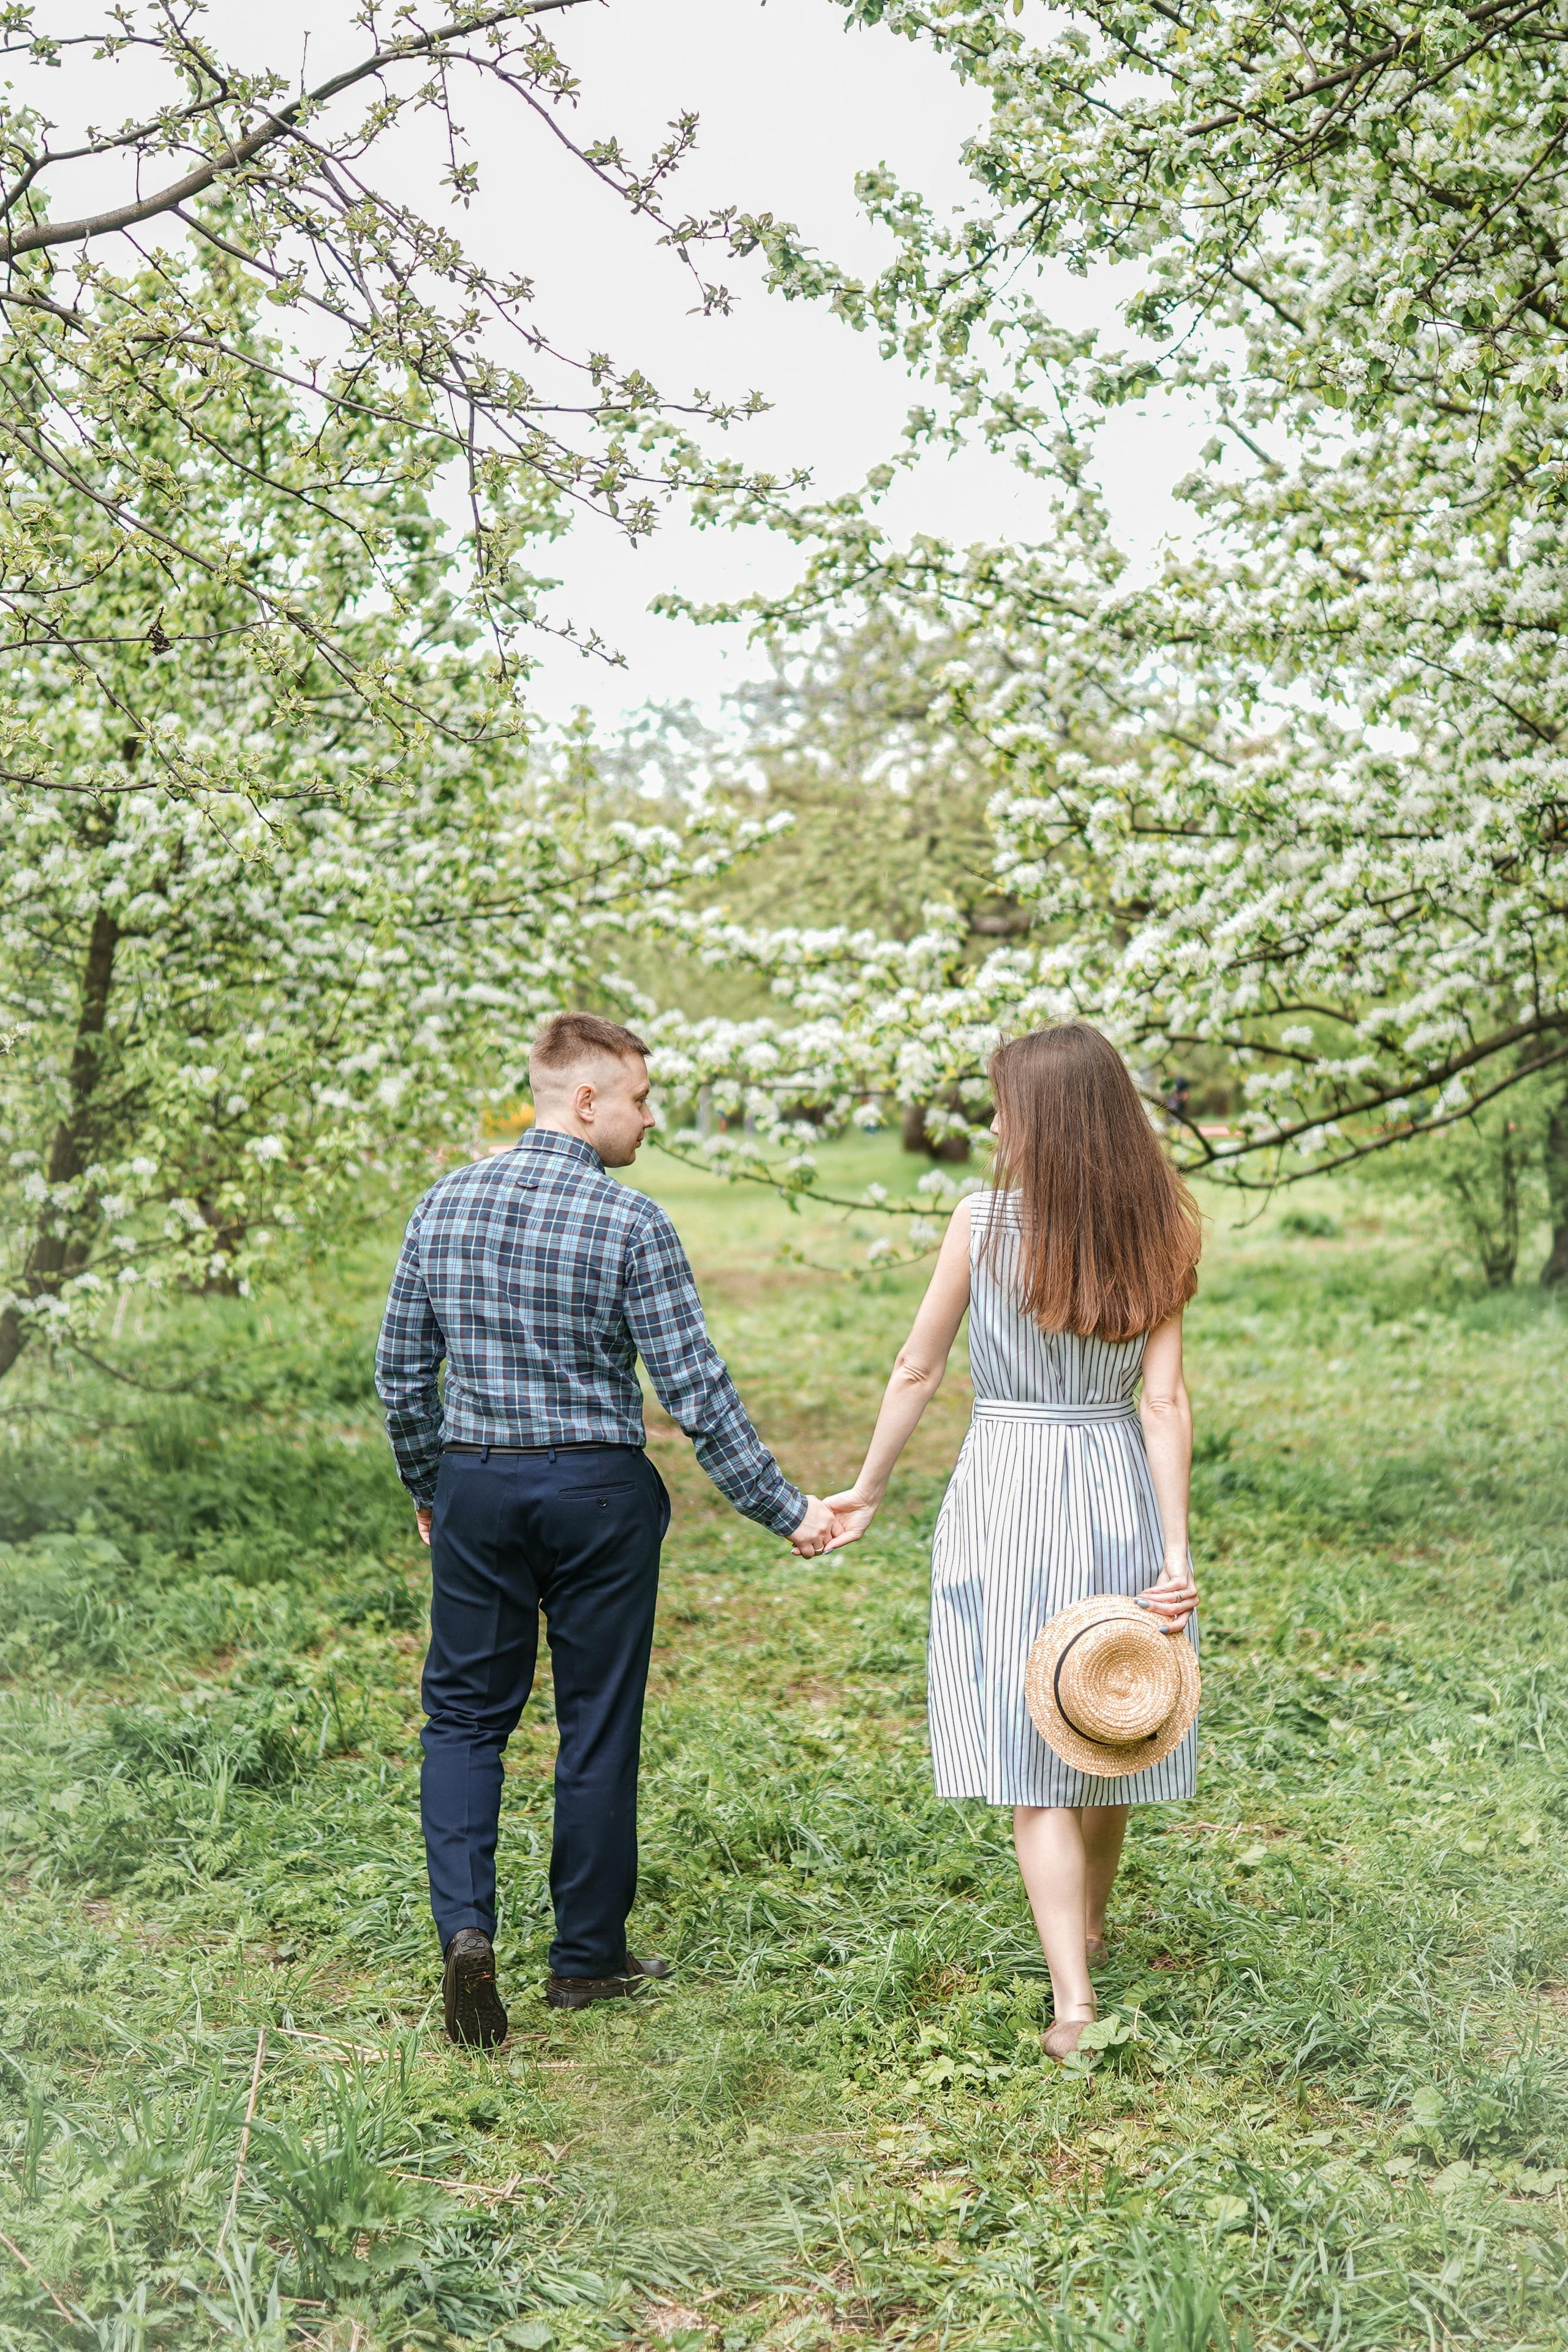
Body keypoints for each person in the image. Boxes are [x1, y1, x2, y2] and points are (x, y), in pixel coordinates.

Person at [375, 1011, 839, 2049]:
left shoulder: (442, 1204)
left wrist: (429, 1486)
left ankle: (466, 1930)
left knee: (462, 1720)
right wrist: (787, 1510)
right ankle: (585, 1961)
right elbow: (696, 1393)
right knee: (595, 1725)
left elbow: (403, 1372)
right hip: (596, 1496)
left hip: (478, 1488)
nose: (649, 1115)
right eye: (638, 1096)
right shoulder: (633, 1226)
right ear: (584, 1099)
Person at [823, 1023, 1202, 2060]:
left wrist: (866, 1487)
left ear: (1039, 1119)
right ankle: (1087, 1921)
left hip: (1006, 1490)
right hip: (1115, 1486)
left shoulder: (983, 1223)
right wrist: (1175, 1551)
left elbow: (917, 1367)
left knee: (1033, 1750)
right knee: (1114, 1717)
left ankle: (1073, 2002)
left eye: (1004, 1107)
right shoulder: (1160, 1222)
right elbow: (1163, 1400)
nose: (995, 1125)